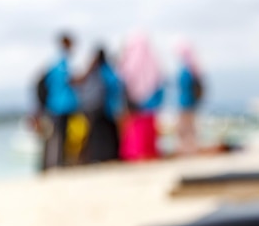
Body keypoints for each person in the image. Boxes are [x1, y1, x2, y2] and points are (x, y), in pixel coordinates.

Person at [117, 32, 165, 161]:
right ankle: (148, 152)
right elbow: (159, 82)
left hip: (135, 104)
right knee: (147, 129)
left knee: (136, 129)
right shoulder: (153, 61)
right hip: (150, 104)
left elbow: (124, 80)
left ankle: (136, 153)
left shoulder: (129, 61)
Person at [75, 48, 124, 164]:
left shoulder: (95, 71)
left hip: (98, 108)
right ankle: (108, 156)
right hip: (108, 108)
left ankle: (99, 157)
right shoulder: (107, 70)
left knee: (98, 135)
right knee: (107, 135)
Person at [40, 33, 79, 171]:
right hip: (60, 105)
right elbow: (68, 81)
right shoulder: (62, 63)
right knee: (58, 136)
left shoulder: (56, 62)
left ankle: (56, 164)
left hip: (56, 104)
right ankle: (56, 164)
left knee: (58, 136)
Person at [175, 42, 204, 155]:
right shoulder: (194, 68)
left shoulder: (186, 69)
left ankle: (187, 148)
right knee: (191, 127)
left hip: (185, 102)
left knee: (183, 128)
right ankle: (192, 148)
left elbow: (184, 86)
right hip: (192, 102)